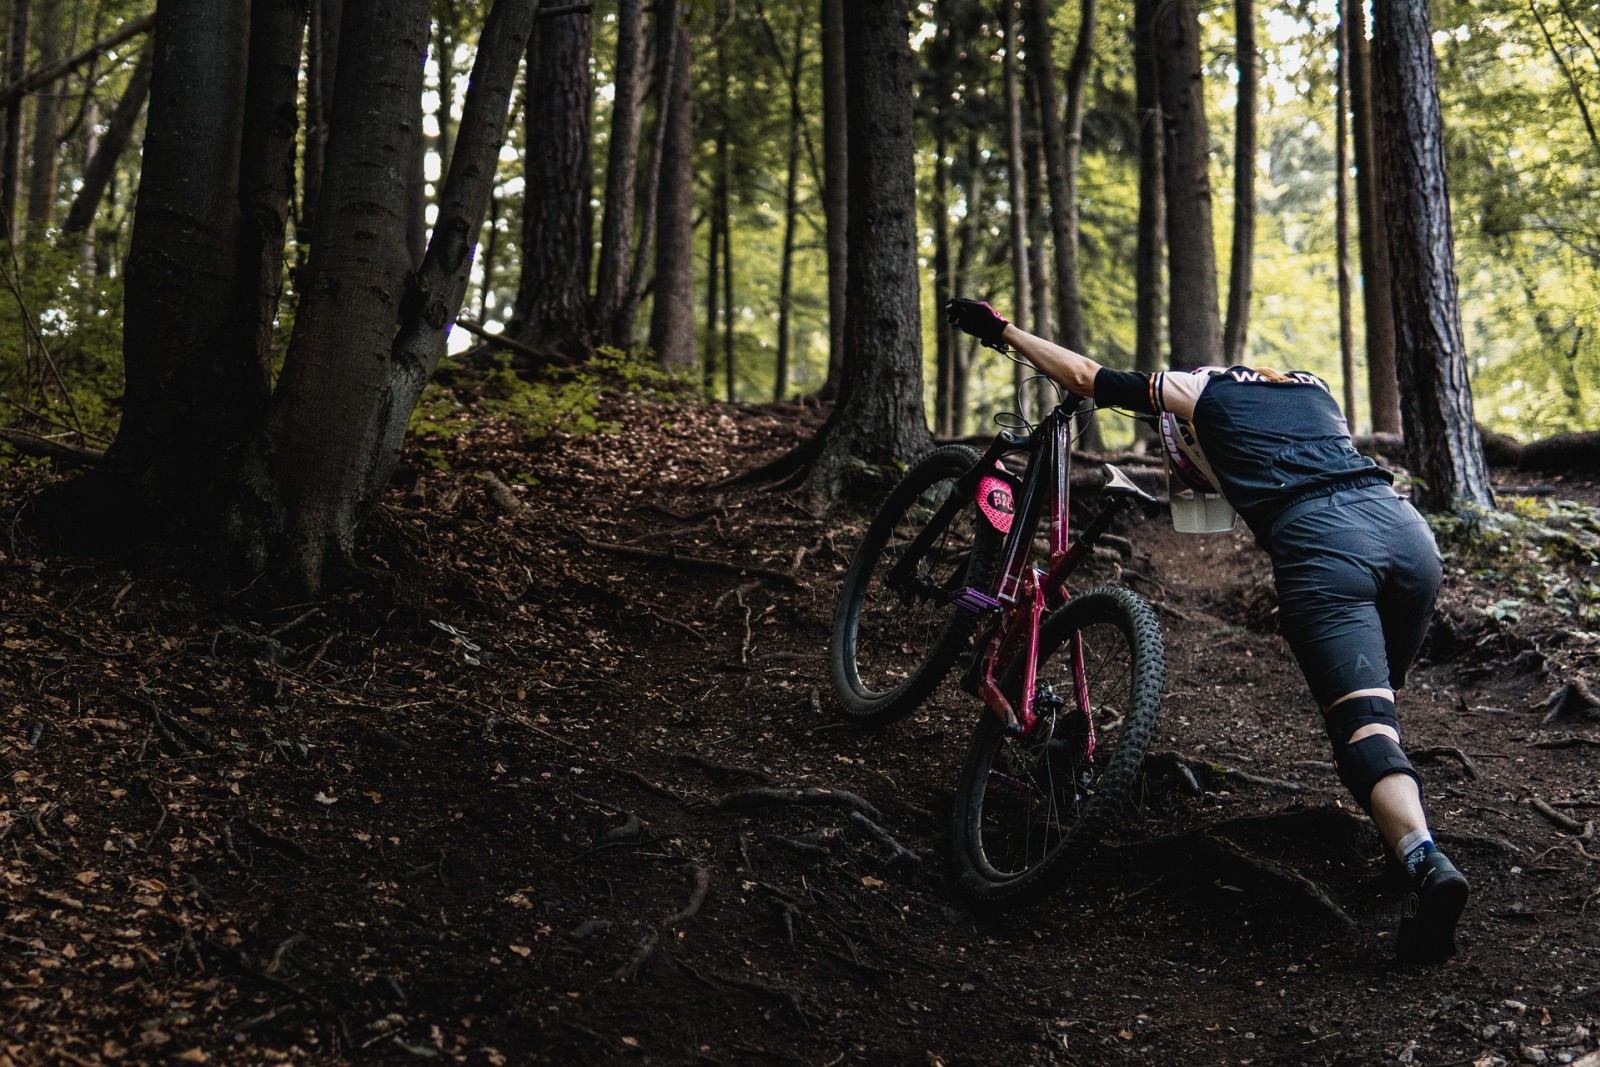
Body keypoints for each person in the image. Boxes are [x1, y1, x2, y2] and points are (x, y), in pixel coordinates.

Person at [945, 296, 1468, 965]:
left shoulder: (1198, 389)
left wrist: (1004, 330)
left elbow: (1082, 375)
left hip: (1324, 548)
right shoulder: (1311, 388)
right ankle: (1403, 846)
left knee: (1362, 734)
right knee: (1376, 723)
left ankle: (1427, 863)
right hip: (1408, 539)